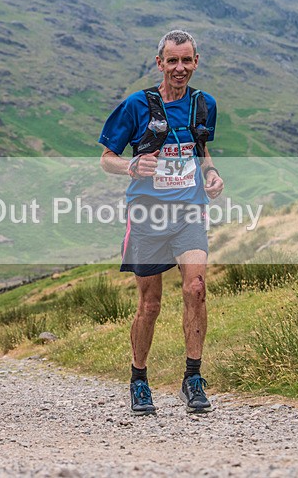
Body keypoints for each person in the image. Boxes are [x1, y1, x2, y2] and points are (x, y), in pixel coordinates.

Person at [98, 29, 224, 415]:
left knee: (196, 288)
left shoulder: (204, 105)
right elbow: (106, 158)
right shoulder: (136, 105)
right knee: (150, 304)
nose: (180, 68)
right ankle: (139, 379)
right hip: (148, 214)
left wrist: (212, 174)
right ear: (160, 63)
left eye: (187, 60)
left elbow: (201, 149)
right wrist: (132, 165)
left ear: (196, 61)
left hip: (189, 211)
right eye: (173, 61)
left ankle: (193, 378)